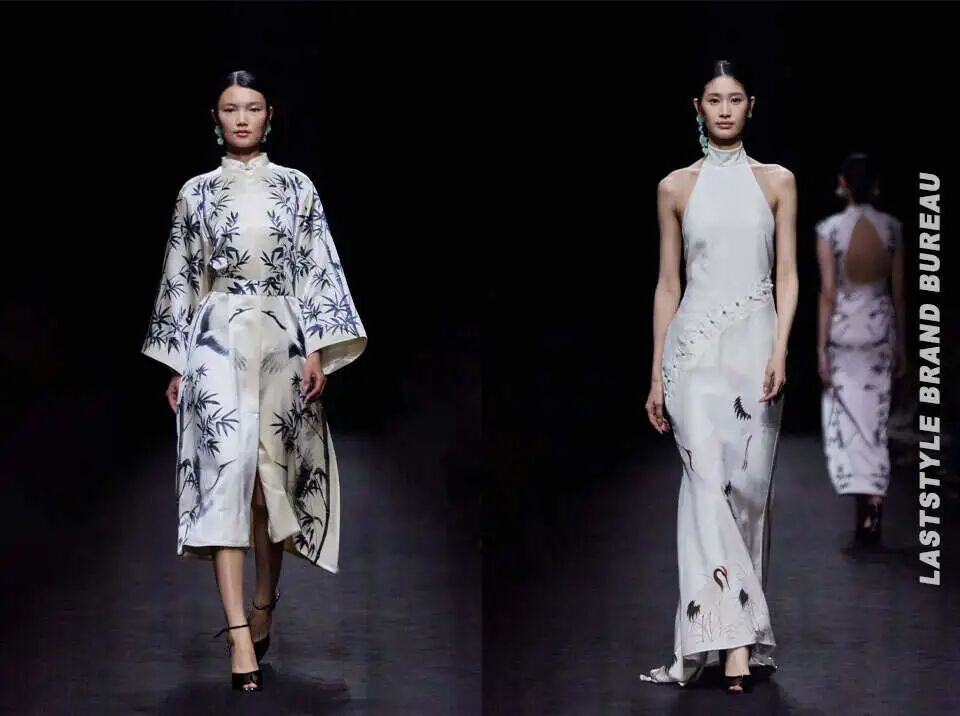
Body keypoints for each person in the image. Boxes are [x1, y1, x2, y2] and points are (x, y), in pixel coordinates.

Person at [141, 70, 367, 692]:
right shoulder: (196, 193)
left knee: (268, 488)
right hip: (216, 337)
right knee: (226, 480)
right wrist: (176, 363)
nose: (242, 118)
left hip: (282, 337)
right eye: (230, 109)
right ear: (215, 120)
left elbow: (318, 267)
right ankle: (239, 633)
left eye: (253, 108)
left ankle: (264, 601)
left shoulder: (297, 187)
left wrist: (317, 348)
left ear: (270, 116)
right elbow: (181, 277)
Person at [640, 60, 797, 694]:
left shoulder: (777, 182)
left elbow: (788, 274)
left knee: (747, 494)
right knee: (707, 488)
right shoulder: (674, 187)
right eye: (714, 100)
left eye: (735, 99)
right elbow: (667, 283)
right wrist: (657, 375)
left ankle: (731, 633)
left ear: (751, 105)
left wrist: (781, 349)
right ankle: (732, 644)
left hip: (755, 349)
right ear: (698, 108)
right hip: (694, 357)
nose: (725, 109)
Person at [815, 153, 905, 549]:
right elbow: (899, 294)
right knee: (875, 423)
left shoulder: (830, 230)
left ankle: (863, 513)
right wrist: (904, 345)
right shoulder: (893, 229)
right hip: (880, 331)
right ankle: (874, 505)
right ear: (876, 185)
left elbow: (828, 293)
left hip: (844, 334)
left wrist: (820, 349)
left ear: (843, 184)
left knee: (849, 424)